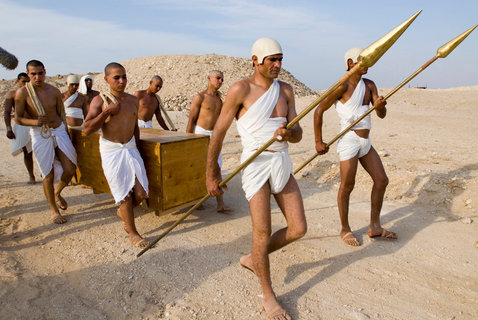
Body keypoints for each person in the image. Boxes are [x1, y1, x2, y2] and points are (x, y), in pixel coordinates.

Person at [206, 38, 306, 320]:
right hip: (255, 164)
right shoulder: (241, 89)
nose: (277, 65)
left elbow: (298, 132)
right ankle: (268, 294)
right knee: (261, 232)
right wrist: (211, 173)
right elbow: (218, 134)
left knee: (298, 228)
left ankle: (254, 258)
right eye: (271, 60)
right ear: (255, 60)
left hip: (281, 161)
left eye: (280, 59)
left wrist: (289, 134)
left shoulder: (285, 90)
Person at [314, 47, 397, 246]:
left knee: (382, 180)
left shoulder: (370, 85)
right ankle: (344, 229)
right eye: (362, 60)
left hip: (365, 141)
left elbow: (381, 115)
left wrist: (380, 106)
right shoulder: (341, 86)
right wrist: (318, 141)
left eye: (368, 59)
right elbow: (318, 111)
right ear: (350, 63)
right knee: (348, 185)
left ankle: (375, 226)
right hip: (349, 140)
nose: (367, 63)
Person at [83, 62, 150, 248]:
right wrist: (106, 112)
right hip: (112, 151)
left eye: (124, 77)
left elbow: (134, 126)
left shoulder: (133, 100)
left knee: (141, 193)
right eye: (116, 77)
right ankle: (133, 233)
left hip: (130, 148)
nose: (122, 81)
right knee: (124, 196)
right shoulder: (100, 101)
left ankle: (123, 213)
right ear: (106, 80)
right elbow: (87, 129)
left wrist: (139, 149)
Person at [15, 60, 77, 224]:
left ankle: (57, 193)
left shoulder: (54, 91)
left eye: (40, 73)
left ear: (45, 72)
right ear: (28, 74)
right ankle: (53, 210)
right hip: (40, 134)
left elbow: (61, 114)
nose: (37, 77)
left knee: (70, 168)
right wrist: (35, 122)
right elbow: (18, 118)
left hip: (58, 131)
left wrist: (66, 131)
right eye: (33, 74)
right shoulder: (23, 93)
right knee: (47, 174)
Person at [186, 70, 231, 213]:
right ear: (209, 79)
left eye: (222, 79)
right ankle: (196, 201)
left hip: (214, 136)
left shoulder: (219, 100)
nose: (220, 81)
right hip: (200, 134)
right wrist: (188, 140)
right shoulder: (200, 97)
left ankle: (220, 204)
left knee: (217, 167)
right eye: (218, 78)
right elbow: (191, 120)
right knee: (199, 169)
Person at [4, 72, 35, 184]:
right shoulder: (12, 94)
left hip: (35, 124)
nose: (26, 84)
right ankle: (31, 176)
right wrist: (9, 129)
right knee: (27, 152)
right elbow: (7, 113)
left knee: (42, 150)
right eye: (23, 81)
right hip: (21, 125)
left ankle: (45, 173)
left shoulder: (35, 93)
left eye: (28, 81)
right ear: (18, 81)